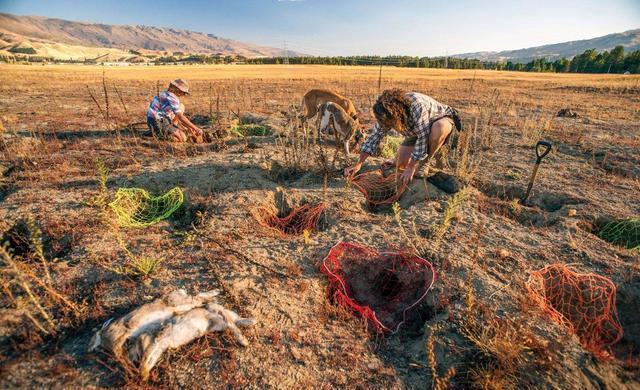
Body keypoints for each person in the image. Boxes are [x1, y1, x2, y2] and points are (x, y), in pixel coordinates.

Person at [344, 89, 462, 184]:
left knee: (438, 128)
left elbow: (423, 136)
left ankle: (426, 161)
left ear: (397, 115)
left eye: (390, 123)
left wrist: (412, 167)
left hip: (440, 122)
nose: (387, 126)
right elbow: (374, 137)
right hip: (417, 130)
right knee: (400, 164)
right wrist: (359, 164)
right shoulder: (384, 113)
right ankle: (412, 159)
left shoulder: (416, 106)